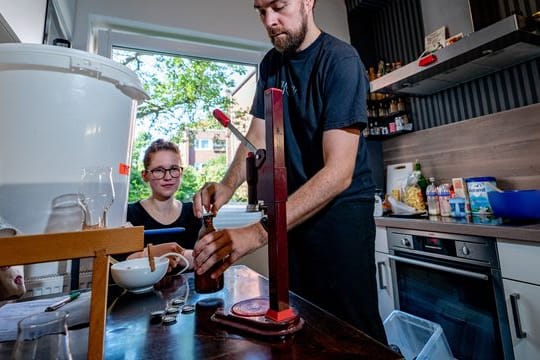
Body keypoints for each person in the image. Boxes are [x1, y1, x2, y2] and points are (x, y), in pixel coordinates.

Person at [192, 0, 387, 344]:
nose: (270, 20)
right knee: (303, 321)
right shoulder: (271, 64)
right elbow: (256, 136)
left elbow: (339, 172)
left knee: (351, 332)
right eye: (260, 11)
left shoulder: (340, 61)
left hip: (339, 221)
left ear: (308, 2)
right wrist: (226, 185)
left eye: (279, 6)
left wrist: (257, 233)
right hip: (291, 216)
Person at [125, 139, 201, 272]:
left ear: (181, 172)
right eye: (159, 170)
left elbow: (206, 258)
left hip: (187, 291)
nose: (167, 177)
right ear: (145, 175)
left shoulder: (192, 212)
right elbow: (120, 263)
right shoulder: (130, 214)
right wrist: (148, 255)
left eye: (173, 169)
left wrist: (177, 254)